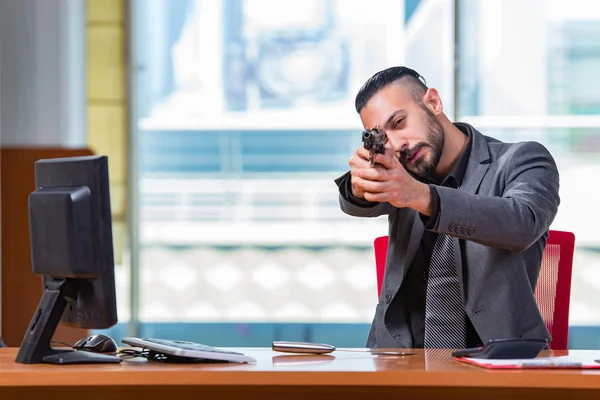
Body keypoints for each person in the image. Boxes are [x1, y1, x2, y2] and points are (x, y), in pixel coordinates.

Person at [334, 66, 560, 349]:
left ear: (433, 102)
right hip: (396, 361)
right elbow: (355, 205)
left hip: (497, 359)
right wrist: (361, 186)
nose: (398, 144)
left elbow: (522, 223)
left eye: (400, 122)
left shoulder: (522, 159)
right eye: (382, 136)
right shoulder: (403, 171)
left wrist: (422, 196)